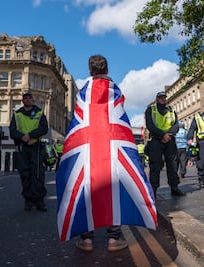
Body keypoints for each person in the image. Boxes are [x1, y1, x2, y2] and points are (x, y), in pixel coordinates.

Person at [56, 55, 156, 252]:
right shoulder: (115, 91)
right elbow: (121, 119)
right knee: (115, 188)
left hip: (87, 146)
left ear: (90, 71)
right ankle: (113, 238)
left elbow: (78, 120)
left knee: (87, 188)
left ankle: (86, 239)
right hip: (113, 146)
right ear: (107, 70)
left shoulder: (83, 93)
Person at [9, 91, 49, 211]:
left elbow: (44, 128)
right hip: (23, 147)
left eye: (29, 98)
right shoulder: (17, 114)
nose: (27, 100)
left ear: (33, 100)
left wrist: (31, 136)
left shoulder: (39, 113)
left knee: (37, 174)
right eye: (25, 98)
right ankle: (28, 200)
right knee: (25, 175)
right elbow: (12, 131)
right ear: (23, 101)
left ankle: (39, 201)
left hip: (36, 147)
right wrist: (23, 138)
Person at [145, 91, 185, 198]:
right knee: (155, 165)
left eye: (164, 98)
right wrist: (163, 135)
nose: (163, 99)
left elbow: (176, 125)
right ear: (157, 99)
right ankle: (153, 189)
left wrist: (169, 135)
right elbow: (150, 125)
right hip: (156, 140)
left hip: (169, 140)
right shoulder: (151, 110)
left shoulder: (172, 111)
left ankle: (174, 187)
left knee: (172, 164)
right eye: (160, 98)